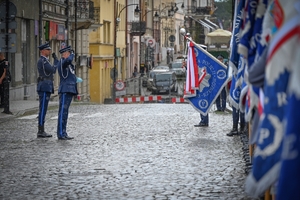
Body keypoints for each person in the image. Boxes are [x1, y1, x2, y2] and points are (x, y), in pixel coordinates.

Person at [36, 42, 58, 138]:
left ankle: (42, 129)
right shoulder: (43, 61)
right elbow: (53, 70)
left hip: (46, 86)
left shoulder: (45, 60)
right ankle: (40, 130)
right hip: (44, 86)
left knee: (44, 109)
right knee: (43, 109)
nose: (49, 51)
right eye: (47, 50)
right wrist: (56, 61)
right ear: (42, 51)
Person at [56, 44, 77, 140]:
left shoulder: (68, 64)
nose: (70, 55)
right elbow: (69, 60)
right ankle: (60, 133)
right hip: (65, 90)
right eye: (68, 53)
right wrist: (72, 54)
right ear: (65, 54)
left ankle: (63, 132)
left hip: (69, 90)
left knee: (65, 113)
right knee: (62, 113)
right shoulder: (63, 62)